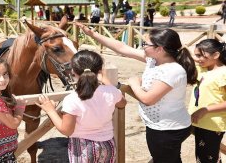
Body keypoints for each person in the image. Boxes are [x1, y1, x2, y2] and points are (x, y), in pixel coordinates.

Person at [76, 22, 198, 163]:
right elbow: (122, 48)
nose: (142, 46)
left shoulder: (172, 70)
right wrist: (93, 34)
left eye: (146, 44)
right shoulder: (154, 60)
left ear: (160, 49)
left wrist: (134, 82)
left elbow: (148, 99)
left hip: (167, 129)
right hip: (160, 126)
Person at [36, 50, 127, 162]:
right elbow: (122, 103)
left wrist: (50, 110)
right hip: (108, 145)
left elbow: (66, 130)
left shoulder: (72, 99)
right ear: (99, 71)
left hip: (83, 147)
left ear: (73, 71)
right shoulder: (111, 92)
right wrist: (107, 82)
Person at [188, 39, 226, 163]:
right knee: (204, 157)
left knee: (206, 159)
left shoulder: (223, 73)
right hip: (197, 121)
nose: (197, 59)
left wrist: (206, 109)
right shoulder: (202, 69)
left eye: (200, 55)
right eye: (196, 55)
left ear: (216, 55)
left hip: (212, 125)